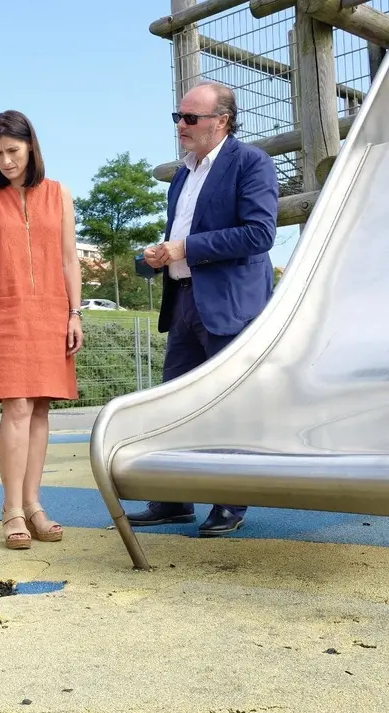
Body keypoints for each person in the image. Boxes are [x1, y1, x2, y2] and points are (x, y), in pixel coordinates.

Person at [129, 81, 278, 537]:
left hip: (231, 306)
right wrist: (158, 257)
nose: (181, 126)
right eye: (178, 117)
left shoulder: (251, 162)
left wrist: (184, 247)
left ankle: (231, 499)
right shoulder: (182, 175)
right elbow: (182, 237)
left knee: (228, 406)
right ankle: (174, 498)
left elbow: (259, 234)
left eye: (190, 118)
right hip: (185, 304)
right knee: (174, 402)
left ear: (222, 121)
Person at [0, 110, 84, 551]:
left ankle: (34, 505)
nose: (6, 161)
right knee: (15, 406)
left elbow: (70, 258)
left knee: (41, 409)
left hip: (51, 311)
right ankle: (12, 508)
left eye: (13, 150)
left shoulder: (60, 194)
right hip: (1, 310)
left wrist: (75, 313)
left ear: (31, 146)